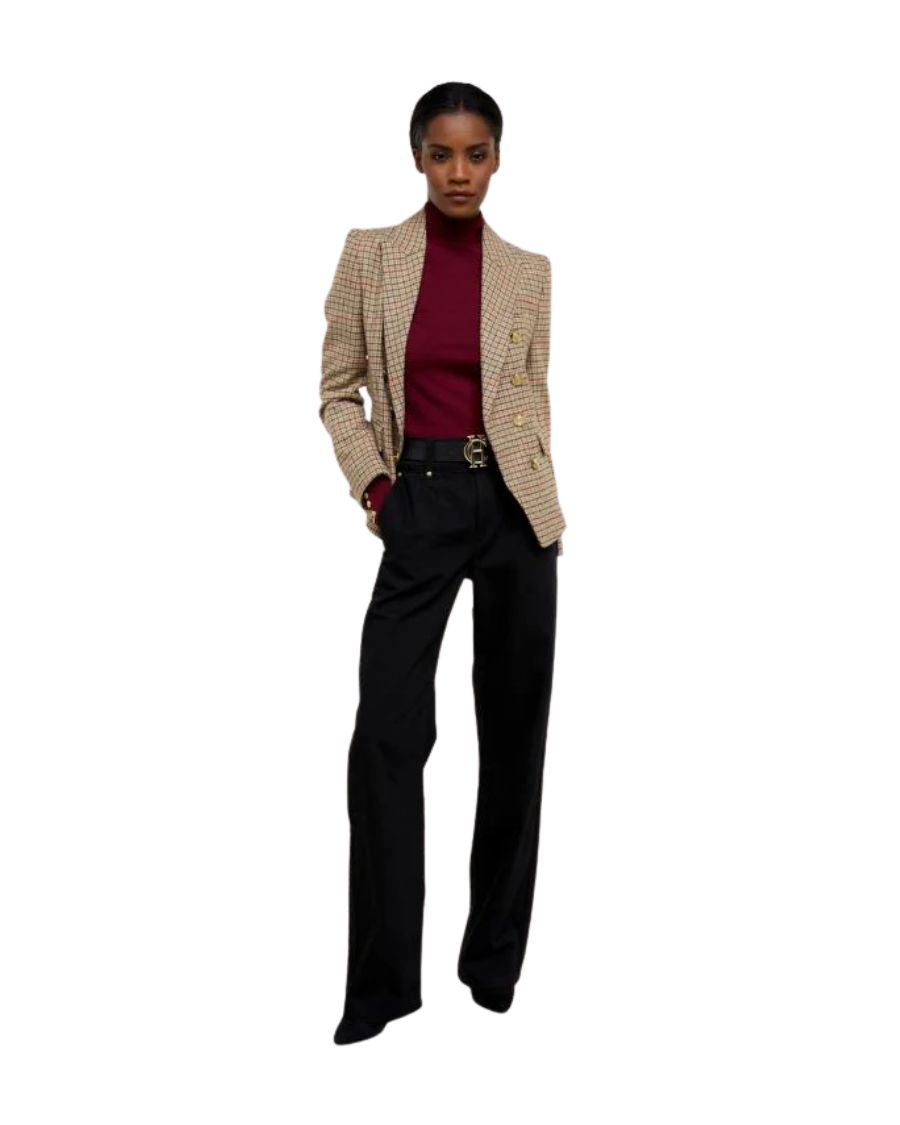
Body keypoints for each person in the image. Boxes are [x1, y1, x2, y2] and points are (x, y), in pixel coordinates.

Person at [319, 81, 566, 1045]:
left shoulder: (530, 273)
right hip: (417, 501)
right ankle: (382, 986)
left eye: (476, 154)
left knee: (514, 739)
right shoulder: (370, 256)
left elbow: (530, 399)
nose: (459, 172)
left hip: (513, 513)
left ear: (497, 158)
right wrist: (379, 491)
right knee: (386, 737)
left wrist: (537, 504)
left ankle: (492, 963)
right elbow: (338, 391)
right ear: (418, 157)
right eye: (441, 154)